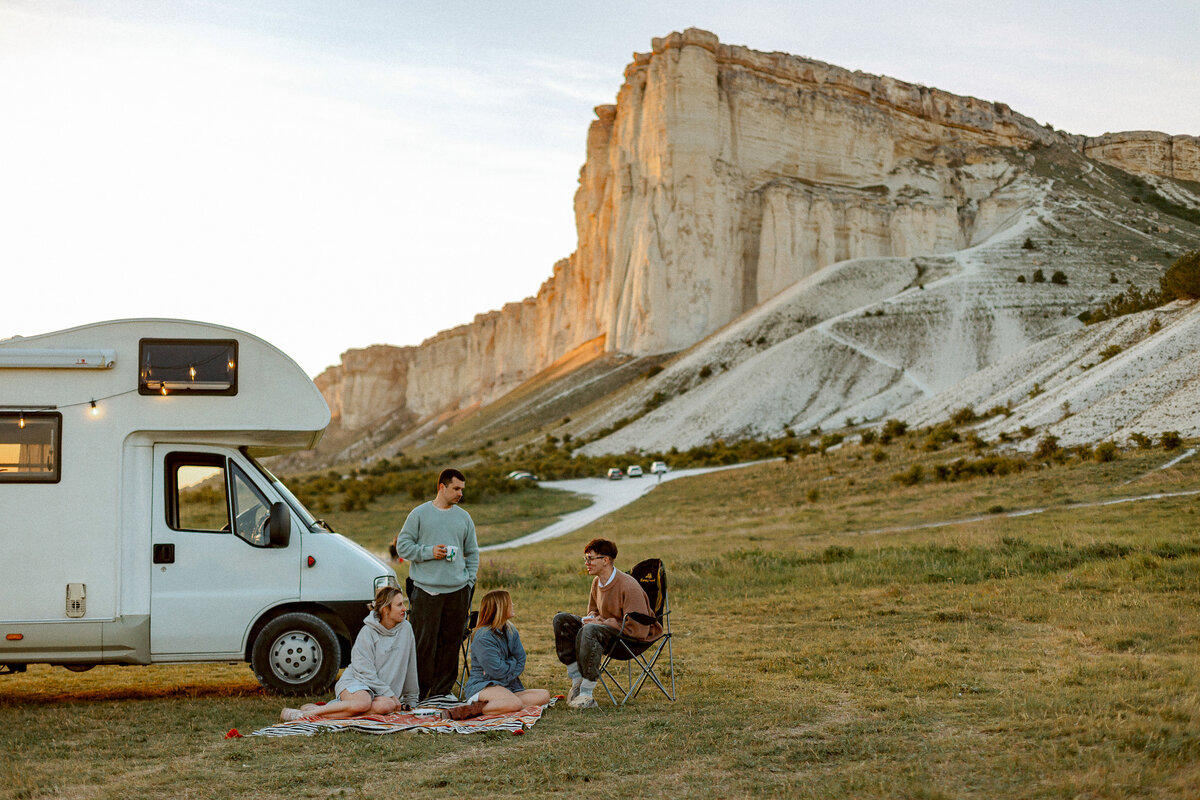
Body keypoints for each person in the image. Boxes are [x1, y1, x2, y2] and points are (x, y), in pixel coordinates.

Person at [392, 467, 480, 700]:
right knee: (424, 643)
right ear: (442, 487)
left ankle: (442, 692)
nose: (460, 493)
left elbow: (472, 553)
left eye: (462, 489)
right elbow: (403, 547)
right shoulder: (419, 514)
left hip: (457, 591)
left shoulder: (464, 517)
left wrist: (469, 582)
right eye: (456, 488)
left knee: (451, 643)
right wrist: (429, 552)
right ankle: (418, 692)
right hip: (426, 590)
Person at [280, 585, 418, 722]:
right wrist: (390, 694)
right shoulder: (368, 632)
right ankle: (304, 715)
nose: (404, 609)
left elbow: (410, 665)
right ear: (385, 610)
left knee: (387, 705)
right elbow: (364, 672)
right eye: (399, 605)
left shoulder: (406, 629)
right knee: (363, 703)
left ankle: (325, 709)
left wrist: (411, 699)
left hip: (380, 692)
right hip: (357, 681)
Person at [552, 538, 662, 710]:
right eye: (585, 559)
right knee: (562, 620)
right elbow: (594, 611)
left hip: (629, 639)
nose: (587, 563)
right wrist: (591, 617)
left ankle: (586, 695)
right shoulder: (597, 582)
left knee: (590, 629)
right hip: (603, 633)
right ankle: (577, 681)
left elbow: (638, 629)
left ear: (606, 560)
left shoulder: (628, 586)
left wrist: (600, 622)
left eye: (590, 558)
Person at [461, 590, 552, 714]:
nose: (513, 605)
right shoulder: (483, 637)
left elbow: (521, 660)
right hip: (484, 686)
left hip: (507, 686)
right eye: (510, 603)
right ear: (500, 607)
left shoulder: (510, 630)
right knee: (514, 703)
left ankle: (501, 704)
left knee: (544, 695)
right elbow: (497, 670)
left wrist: (509, 666)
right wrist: (512, 663)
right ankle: (469, 710)